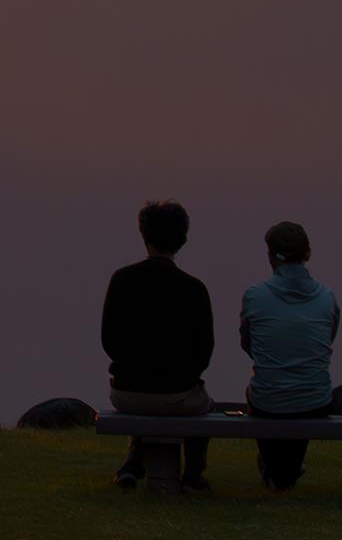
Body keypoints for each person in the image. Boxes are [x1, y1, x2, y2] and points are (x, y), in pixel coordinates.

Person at [102, 199, 217, 491]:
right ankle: (193, 472)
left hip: (127, 392)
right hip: (177, 393)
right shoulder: (194, 288)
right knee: (203, 404)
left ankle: (132, 462)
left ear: (145, 235)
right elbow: (204, 350)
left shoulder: (122, 279)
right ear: (182, 239)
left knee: (151, 396)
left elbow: (109, 340)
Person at [239, 220, 342, 489]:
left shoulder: (254, 296)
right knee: (300, 391)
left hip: (268, 401)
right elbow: (326, 342)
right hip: (315, 400)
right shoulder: (327, 297)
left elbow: (249, 345)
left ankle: (277, 469)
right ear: (308, 253)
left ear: (271, 256)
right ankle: (287, 469)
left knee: (261, 391)